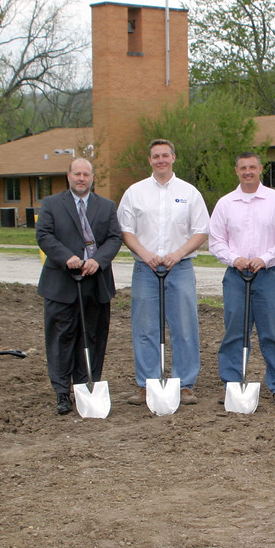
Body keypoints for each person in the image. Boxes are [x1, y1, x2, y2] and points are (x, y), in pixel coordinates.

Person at [118, 139, 210, 405]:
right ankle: (147, 384)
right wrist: (145, 255)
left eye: (165, 155)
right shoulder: (135, 192)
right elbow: (126, 230)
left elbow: (201, 230)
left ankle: (184, 384)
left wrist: (178, 253)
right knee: (145, 328)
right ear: (150, 160)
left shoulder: (189, 192)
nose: (161, 160)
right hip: (145, 269)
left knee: (184, 327)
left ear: (173, 158)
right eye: (155, 156)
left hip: (179, 267)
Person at [36, 158, 122, 415]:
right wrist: (66, 257)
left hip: (96, 283)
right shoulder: (52, 204)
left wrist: (98, 260)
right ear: (69, 176)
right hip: (62, 284)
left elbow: (115, 237)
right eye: (77, 174)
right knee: (61, 339)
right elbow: (44, 235)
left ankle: (86, 387)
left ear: (92, 177)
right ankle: (62, 392)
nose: (81, 178)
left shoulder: (106, 207)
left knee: (93, 337)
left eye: (86, 174)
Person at [208, 152, 275, 404]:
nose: (248, 171)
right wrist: (234, 258)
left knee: (273, 332)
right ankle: (232, 383)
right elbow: (216, 241)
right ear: (236, 170)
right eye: (243, 167)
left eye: (252, 167)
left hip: (267, 275)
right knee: (235, 331)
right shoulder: (225, 203)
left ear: (260, 169)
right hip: (236, 276)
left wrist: (265, 258)